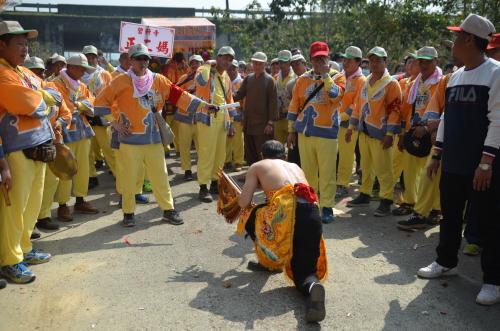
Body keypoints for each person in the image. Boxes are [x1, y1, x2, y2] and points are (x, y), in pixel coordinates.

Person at [418, 14, 500, 306]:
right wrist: (436, 154)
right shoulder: (454, 78)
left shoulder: (495, 73)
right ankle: (446, 262)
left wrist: (486, 163)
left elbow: (498, 121)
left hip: (482, 167)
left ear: (469, 40)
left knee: (488, 223)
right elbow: (446, 118)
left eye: (457, 37)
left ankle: (492, 280)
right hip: (453, 161)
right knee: (450, 216)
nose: (452, 42)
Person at [95, 44, 204, 226]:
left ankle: (168, 210)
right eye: (138, 58)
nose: (143, 62)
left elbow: (179, 95)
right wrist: (114, 123)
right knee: (129, 178)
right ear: (130, 60)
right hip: (129, 140)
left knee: (160, 176)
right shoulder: (120, 81)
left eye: (146, 58)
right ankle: (128, 213)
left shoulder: (158, 79)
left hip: (153, 138)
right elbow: (100, 102)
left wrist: (203, 105)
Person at [237, 140, 328, 323]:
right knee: (304, 272)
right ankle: (313, 286)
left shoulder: (257, 166)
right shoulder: (295, 166)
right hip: (311, 212)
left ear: (262, 155)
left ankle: (270, 260)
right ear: (284, 156)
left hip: (286, 215)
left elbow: (243, 202)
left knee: (249, 214)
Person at [0, 21, 59, 283]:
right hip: (16, 149)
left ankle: (24, 248)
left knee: (32, 204)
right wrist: (42, 98)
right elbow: (28, 103)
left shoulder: (22, 72)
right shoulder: (3, 74)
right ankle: (10, 260)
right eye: (19, 43)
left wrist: (42, 96)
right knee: (15, 209)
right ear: (2, 45)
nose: (25, 48)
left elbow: (54, 94)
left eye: (26, 43)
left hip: (38, 146)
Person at [287, 41, 346, 223]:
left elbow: (335, 96)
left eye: (323, 57)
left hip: (327, 133)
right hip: (305, 133)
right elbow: (294, 105)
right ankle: (311, 204)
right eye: (316, 58)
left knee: (327, 172)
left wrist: (326, 75)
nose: (320, 61)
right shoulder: (302, 79)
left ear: (328, 58)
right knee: (308, 171)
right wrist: (291, 130)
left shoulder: (338, 77)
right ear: (311, 59)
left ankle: (327, 206)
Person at [346, 46, 402, 217]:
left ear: (386, 62)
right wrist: (351, 127)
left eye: (378, 60)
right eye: (372, 60)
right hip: (364, 131)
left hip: (380, 134)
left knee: (384, 169)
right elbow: (358, 105)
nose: (375, 63)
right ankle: (365, 194)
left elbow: (395, 111)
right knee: (366, 166)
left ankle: (386, 200)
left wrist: (390, 134)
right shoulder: (366, 81)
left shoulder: (391, 84)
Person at [392, 47, 443, 216]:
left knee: (432, 173)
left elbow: (445, 111)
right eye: (420, 61)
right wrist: (402, 134)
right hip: (413, 132)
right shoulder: (415, 83)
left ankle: (435, 209)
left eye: (428, 61)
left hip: (433, 134)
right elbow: (406, 110)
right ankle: (409, 202)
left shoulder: (441, 82)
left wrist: (429, 128)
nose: (423, 64)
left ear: (436, 61)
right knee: (410, 172)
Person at [52, 54, 100, 221]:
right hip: (65, 131)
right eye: (81, 68)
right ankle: (62, 205)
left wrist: (79, 105)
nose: (84, 72)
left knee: (83, 167)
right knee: (65, 168)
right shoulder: (56, 84)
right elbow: (62, 106)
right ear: (71, 67)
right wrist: (80, 105)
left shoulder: (81, 85)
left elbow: (92, 103)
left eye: (85, 69)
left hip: (83, 131)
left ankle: (80, 200)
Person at [194, 46, 235, 203]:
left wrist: (231, 122)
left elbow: (229, 100)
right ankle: (203, 186)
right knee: (206, 152)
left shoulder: (227, 78)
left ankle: (214, 183)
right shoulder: (207, 72)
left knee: (220, 154)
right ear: (217, 57)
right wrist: (207, 64)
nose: (227, 61)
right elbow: (200, 80)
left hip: (222, 118)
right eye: (224, 57)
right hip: (207, 117)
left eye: (230, 59)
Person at [233, 51, 278, 166]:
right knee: (250, 151)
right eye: (255, 63)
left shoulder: (270, 80)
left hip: (263, 124)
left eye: (260, 63)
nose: (257, 66)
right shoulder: (248, 78)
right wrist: (225, 94)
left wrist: (270, 123)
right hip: (249, 122)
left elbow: (273, 103)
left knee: (263, 151)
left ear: (265, 65)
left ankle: (264, 177)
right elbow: (238, 95)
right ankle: (252, 174)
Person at [81, 45, 115, 189]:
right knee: (87, 150)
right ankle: (91, 176)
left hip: (102, 115)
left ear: (97, 58)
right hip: (84, 114)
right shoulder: (78, 74)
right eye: (88, 56)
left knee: (108, 147)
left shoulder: (105, 74)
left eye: (93, 56)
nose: (90, 59)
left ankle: (118, 172)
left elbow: (112, 94)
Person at [336, 46, 367, 199]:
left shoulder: (361, 80)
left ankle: (342, 184)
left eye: (349, 60)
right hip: (333, 121)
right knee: (333, 155)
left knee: (346, 156)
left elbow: (357, 104)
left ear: (358, 62)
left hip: (348, 124)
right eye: (344, 59)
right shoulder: (339, 76)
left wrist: (342, 116)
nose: (345, 62)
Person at [175, 54, 203, 180]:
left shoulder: (207, 79)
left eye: (198, 62)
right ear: (189, 64)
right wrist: (189, 92)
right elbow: (175, 93)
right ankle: (187, 170)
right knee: (184, 146)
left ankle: (201, 169)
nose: (195, 65)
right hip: (185, 116)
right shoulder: (184, 78)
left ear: (202, 64)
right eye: (193, 62)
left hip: (200, 117)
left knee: (202, 146)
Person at [225, 59, 245, 172]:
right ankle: (227, 160)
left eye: (233, 69)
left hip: (237, 114)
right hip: (226, 114)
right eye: (229, 69)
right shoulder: (224, 80)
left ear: (237, 69)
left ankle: (238, 162)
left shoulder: (241, 82)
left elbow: (245, 99)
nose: (231, 71)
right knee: (226, 139)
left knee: (238, 139)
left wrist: (244, 113)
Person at [274, 50, 295, 144]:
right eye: (280, 62)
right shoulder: (275, 77)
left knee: (291, 148)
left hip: (290, 118)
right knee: (278, 147)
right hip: (278, 118)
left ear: (290, 62)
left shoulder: (296, 78)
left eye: (285, 62)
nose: (282, 65)